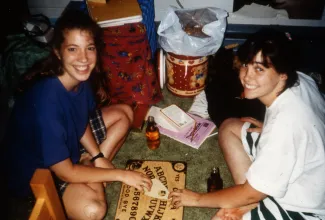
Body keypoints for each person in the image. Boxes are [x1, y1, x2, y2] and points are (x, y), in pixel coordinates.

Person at [5, 10, 152, 219]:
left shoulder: (79, 80)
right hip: (41, 173)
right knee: (94, 210)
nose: (83, 59)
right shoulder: (47, 103)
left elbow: (80, 121)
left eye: (89, 48)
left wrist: (97, 156)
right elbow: (65, 172)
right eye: (73, 49)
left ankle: (89, 166)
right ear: (57, 52)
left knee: (124, 113)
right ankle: (90, 171)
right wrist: (122, 175)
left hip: (68, 146)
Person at [169, 29, 325, 220]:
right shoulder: (301, 79)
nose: (247, 77)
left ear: (282, 73)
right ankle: (251, 199)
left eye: (259, 69)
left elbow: (287, 131)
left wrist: (198, 199)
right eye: (245, 65)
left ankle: (251, 197)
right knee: (229, 128)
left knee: (223, 217)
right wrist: (267, 128)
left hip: (304, 206)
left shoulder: (284, 128)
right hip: (305, 166)